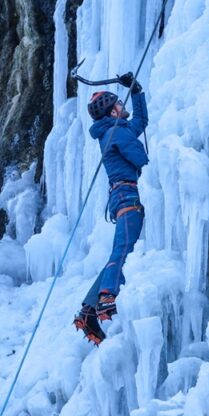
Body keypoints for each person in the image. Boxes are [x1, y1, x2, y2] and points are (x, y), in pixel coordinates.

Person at [74, 73, 148, 345]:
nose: (123, 105)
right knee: (124, 249)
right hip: (128, 195)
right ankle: (107, 297)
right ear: (112, 110)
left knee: (122, 250)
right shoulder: (116, 132)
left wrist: (137, 92)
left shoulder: (115, 130)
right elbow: (141, 158)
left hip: (122, 196)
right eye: (120, 102)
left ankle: (88, 309)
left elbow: (141, 122)